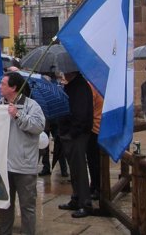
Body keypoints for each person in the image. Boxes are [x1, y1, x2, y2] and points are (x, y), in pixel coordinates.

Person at [0, 71, 45, 235]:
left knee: (27, 208)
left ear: (14, 87)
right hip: (4, 166)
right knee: (5, 206)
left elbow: (38, 126)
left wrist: (18, 115)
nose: (0, 87)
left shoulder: (32, 106)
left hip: (24, 167)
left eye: (3, 84)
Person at [57, 71, 93, 218]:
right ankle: (76, 198)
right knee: (74, 169)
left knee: (80, 169)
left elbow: (80, 114)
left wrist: (71, 133)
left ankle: (85, 203)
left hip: (77, 135)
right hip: (70, 133)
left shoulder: (80, 87)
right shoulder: (72, 85)